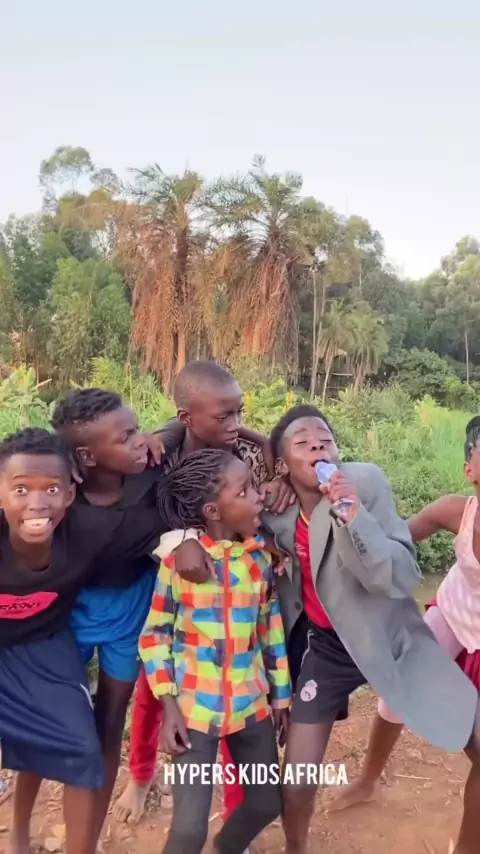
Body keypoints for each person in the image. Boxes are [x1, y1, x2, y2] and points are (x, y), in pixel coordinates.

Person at [170, 403, 478, 854]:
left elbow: (397, 576)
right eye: (302, 442)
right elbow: (207, 513)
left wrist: (352, 515)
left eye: (325, 439)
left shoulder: (365, 483)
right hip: (327, 648)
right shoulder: (272, 510)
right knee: (296, 783)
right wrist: (184, 538)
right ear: (281, 464)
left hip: (389, 638)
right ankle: (297, 847)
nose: (317, 446)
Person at [113, 359, 294, 829]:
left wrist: (278, 474)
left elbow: (269, 482)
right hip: (176, 589)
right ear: (187, 419)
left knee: (237, 712)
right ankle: (141, 774)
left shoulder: (248, 456)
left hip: (237, 592)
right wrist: (181, 539)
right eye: (223, 416)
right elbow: (141, 519)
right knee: (153, 692)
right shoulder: (162, 456)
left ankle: (237, 816)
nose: (235, 424)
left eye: (239, 413)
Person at [0, 428, 162, 854]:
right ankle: (17, 834)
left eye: (52, 489)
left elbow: (174, 519)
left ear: (70, 494)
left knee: (82, 748)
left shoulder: (90, 529)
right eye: (21, 489)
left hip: (41, 646)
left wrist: (186, 542)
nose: (37, 503)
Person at [330, 414, 480, 854]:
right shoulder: (456, 512)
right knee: (394, 694)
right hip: (453, 614)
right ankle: (368, 779)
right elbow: (392, 541)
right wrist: (351, 517)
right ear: (469, 468)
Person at [139, 448, 291, 854]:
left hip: (250, 705)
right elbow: (155, 636)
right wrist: (169, 705)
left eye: (255, 487)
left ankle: (228, 846)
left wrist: (281, 697)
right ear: (212, 510)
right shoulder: (178, 564)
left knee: (266, 801)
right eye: (244, 491)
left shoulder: (259, 561)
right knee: (188, 832)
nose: (257, 498)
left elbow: (270, 631)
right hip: (193, 711)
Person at [50, 388, 168, 845]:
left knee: (109, 720)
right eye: (126, 437)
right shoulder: (58, 493)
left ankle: (90, 835)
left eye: (138, 430)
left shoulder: (150, 472)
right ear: (86, 456)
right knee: (67, 725)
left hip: (130, 612)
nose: (139, 441)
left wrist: (158, 434)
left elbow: (187, 426)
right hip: (70, 615)